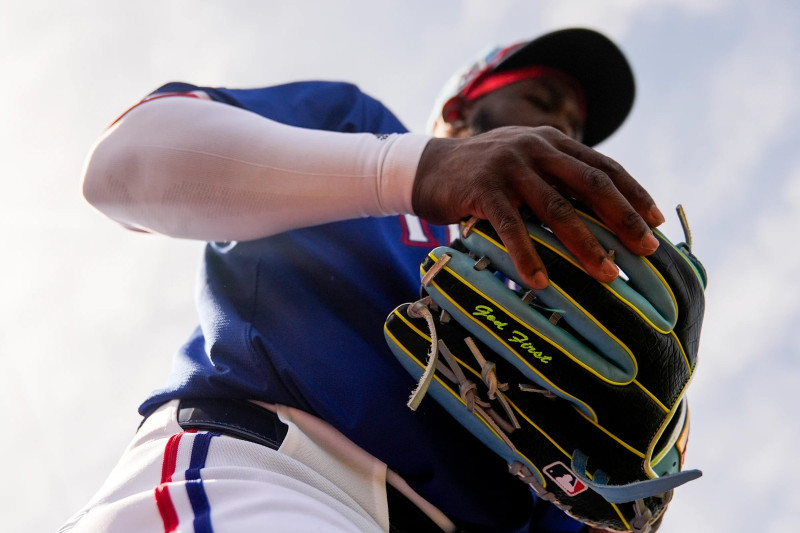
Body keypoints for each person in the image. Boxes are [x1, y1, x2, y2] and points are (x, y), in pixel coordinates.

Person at [63, 28, 666, 533]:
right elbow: (122, 164)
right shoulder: (359, 126)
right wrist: (410, 169)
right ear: (459, 109)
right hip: (282, 475)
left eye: (576, 126)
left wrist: (632, 490)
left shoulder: (567, 307)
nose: (564, 128)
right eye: (543, 99)